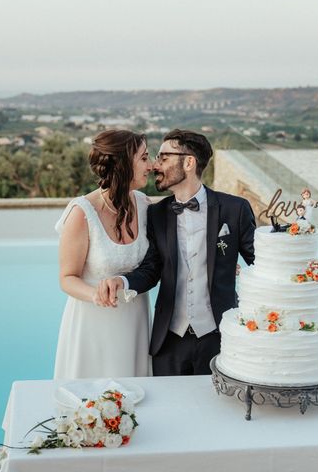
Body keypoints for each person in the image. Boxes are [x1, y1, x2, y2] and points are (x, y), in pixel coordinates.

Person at [97, 129, 256, 376]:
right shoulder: (156, 214)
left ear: (189, 162)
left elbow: (261, 262)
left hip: (220, 338)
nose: (155, 166)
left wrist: (299, 259)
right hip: (168, 342)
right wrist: (123, 281)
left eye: (163, 158)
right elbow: (152, 269)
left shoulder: (234, 209)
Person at [53, 130, 152, 379]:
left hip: (134, 321)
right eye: (144, 158)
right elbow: (67, 277)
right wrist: (96, 295)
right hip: (92, 323)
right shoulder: (82, 213)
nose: (150, 165)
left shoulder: (144, 205)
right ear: (122, 164)